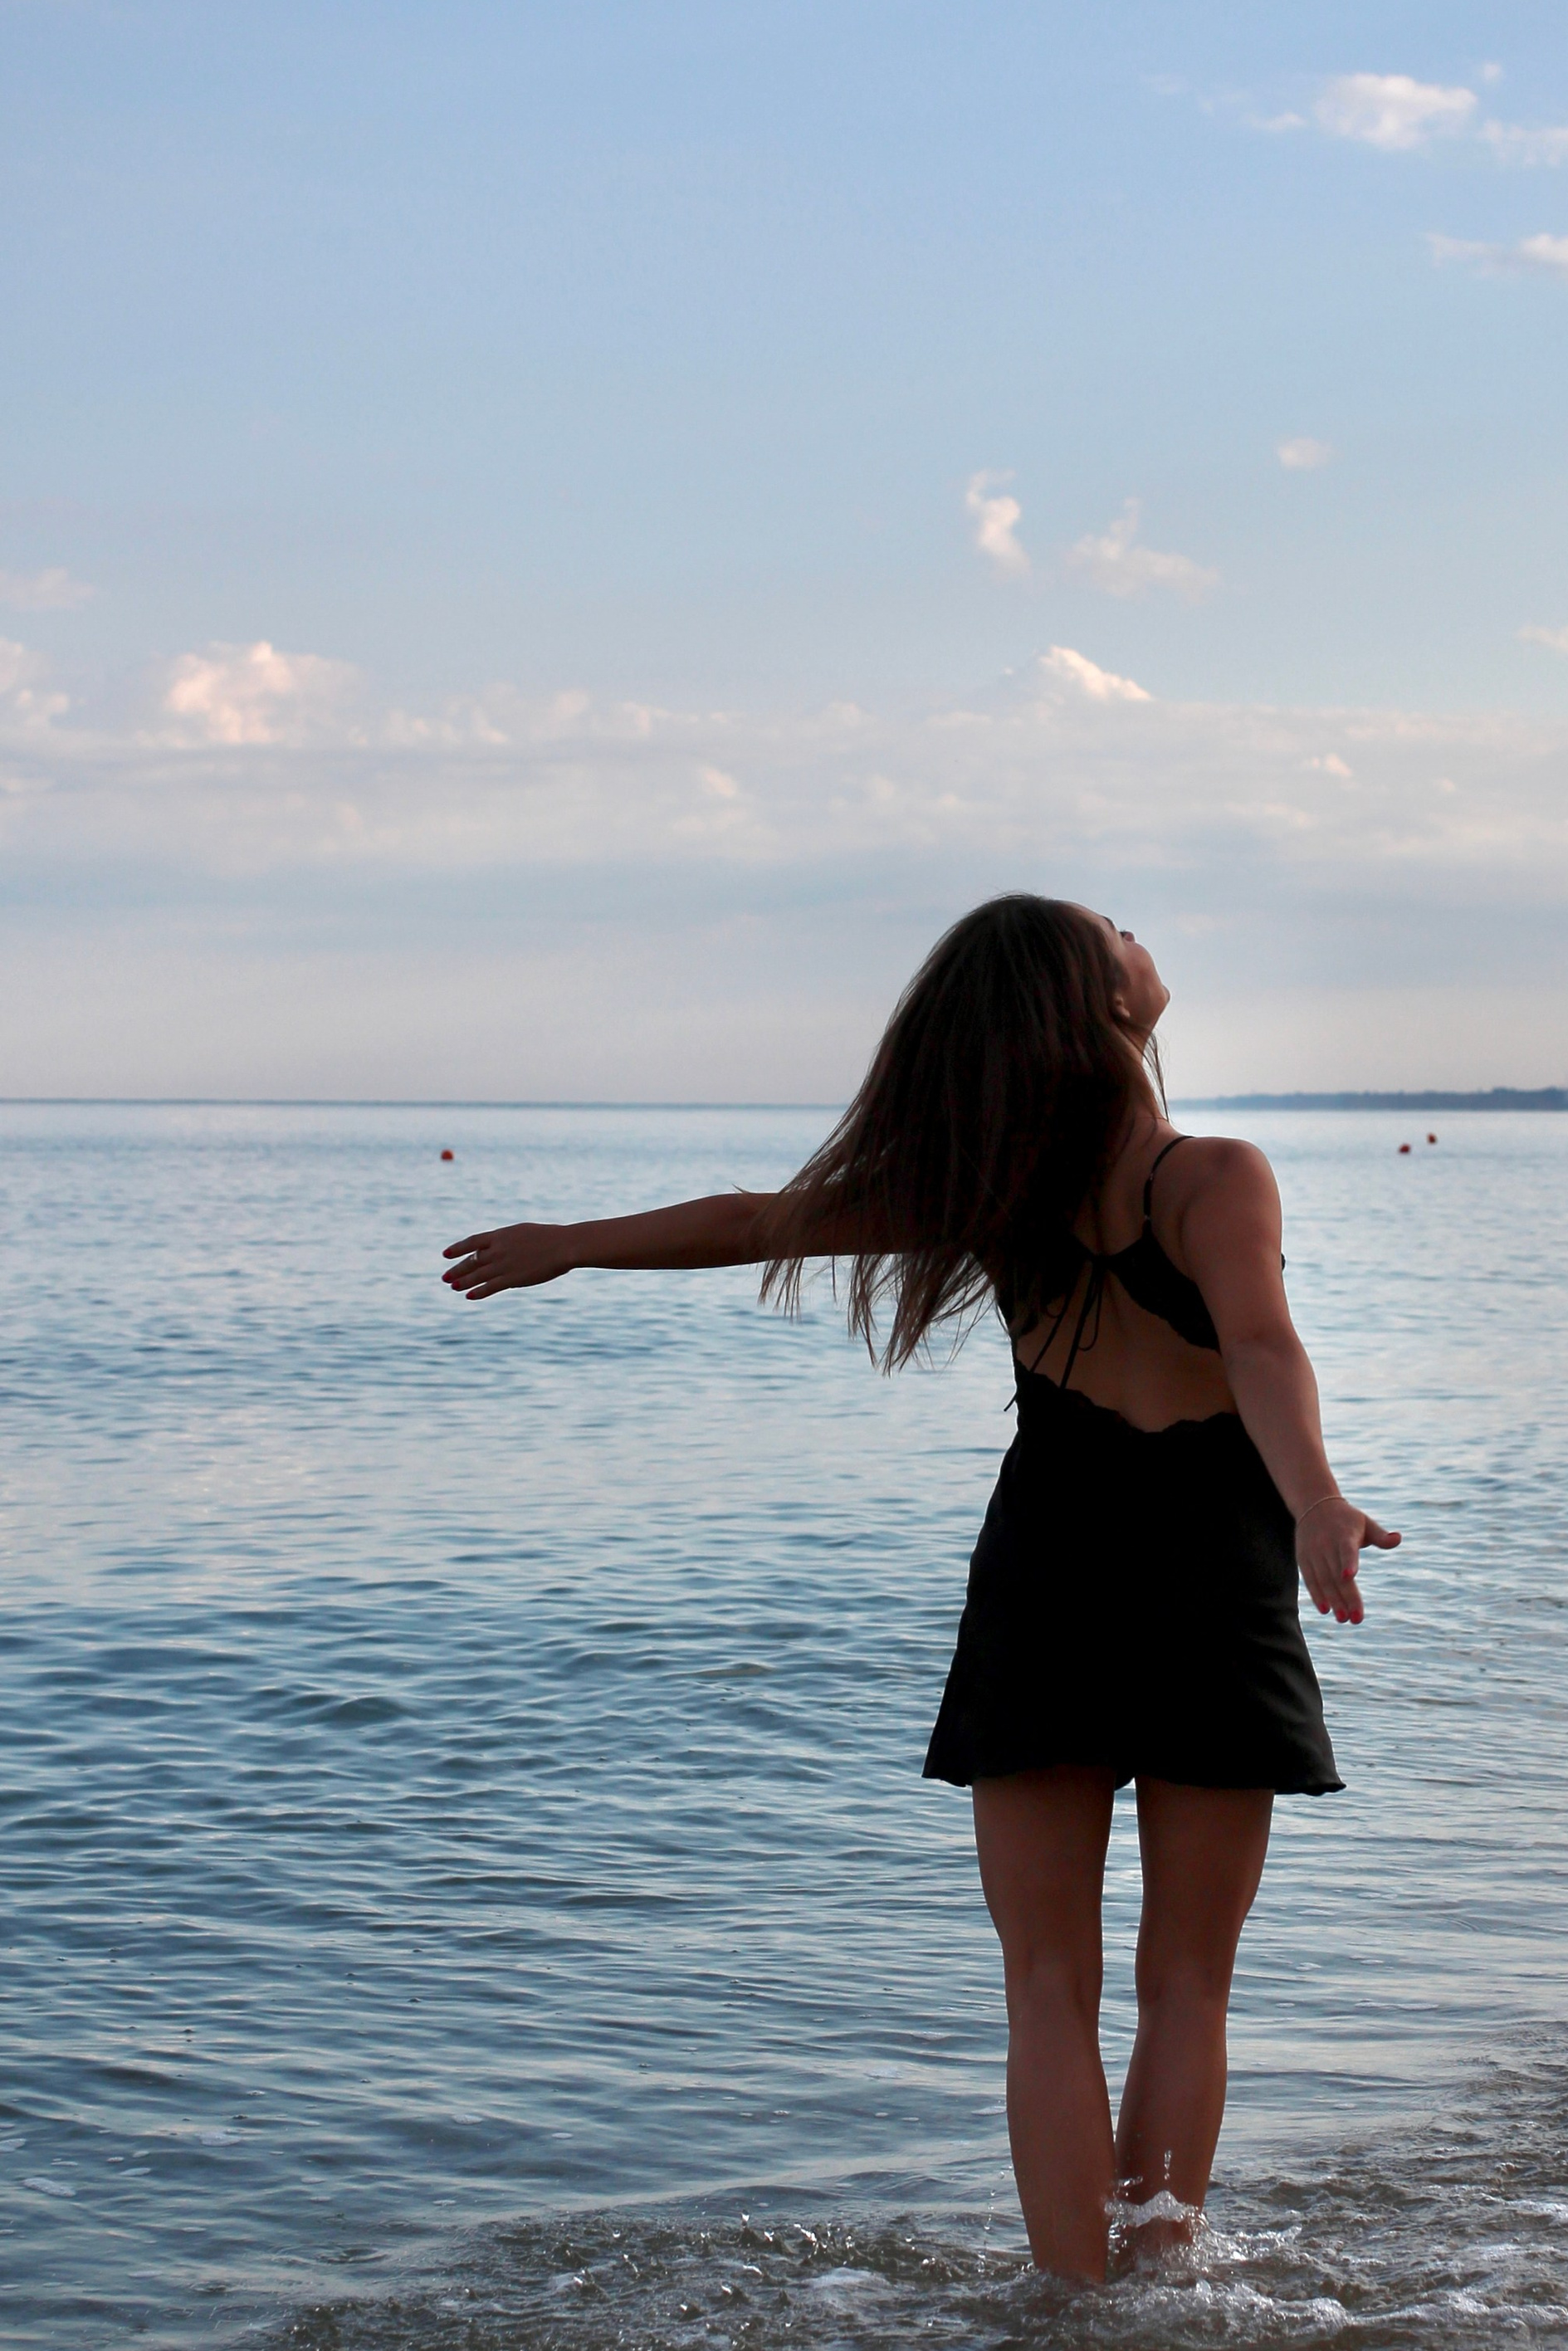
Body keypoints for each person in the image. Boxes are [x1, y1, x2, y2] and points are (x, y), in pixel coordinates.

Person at [442, 895, 1398, 2281]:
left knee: (1045, 1989)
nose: (1139, 935)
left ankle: (1077, 2307)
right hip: (1210, 1570)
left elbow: (760, 1221)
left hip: (1050, 1570)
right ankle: (1160, 2286)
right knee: (1186, 1983)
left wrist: (580, 1238)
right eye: (1114, 931)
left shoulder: (990, 1184)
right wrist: (1313, 1498)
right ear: (1107, 1003)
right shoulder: (1212, 1176)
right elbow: (1260, 1345)